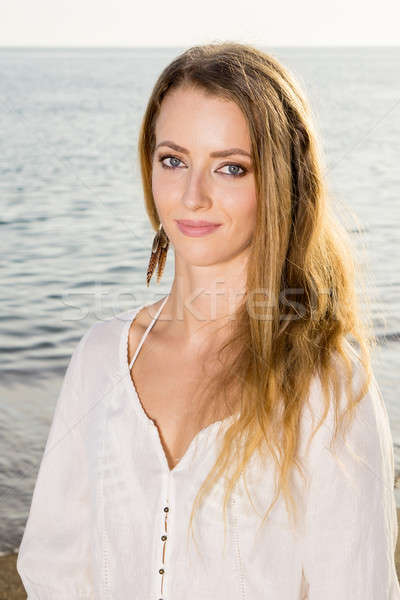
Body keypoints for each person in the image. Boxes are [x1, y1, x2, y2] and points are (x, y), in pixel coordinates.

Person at [17, 41, 400, 599]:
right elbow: (55, 573)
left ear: (280, 183)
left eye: (230, 168)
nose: (191, 196)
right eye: (173, 160)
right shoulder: (101, 358)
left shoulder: (329, 387)